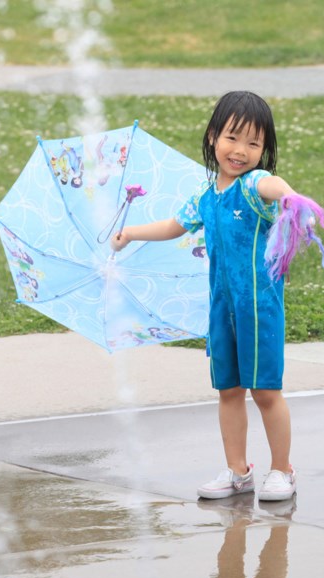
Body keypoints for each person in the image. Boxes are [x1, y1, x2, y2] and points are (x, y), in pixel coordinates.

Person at [111, 91, 309, 502]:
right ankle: (238, 471)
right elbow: (173, 226)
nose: (240, 151)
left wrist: (291, 196)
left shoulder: (255, 185)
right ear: (213, 136)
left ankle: (282, 470)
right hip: (223, 307)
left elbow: (275, 186)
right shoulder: (205, 195)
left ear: (264, 150)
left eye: (254, 143)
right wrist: (130, 233)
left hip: (259, 306)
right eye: (233, 138)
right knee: (229, 391)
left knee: (266, 391)